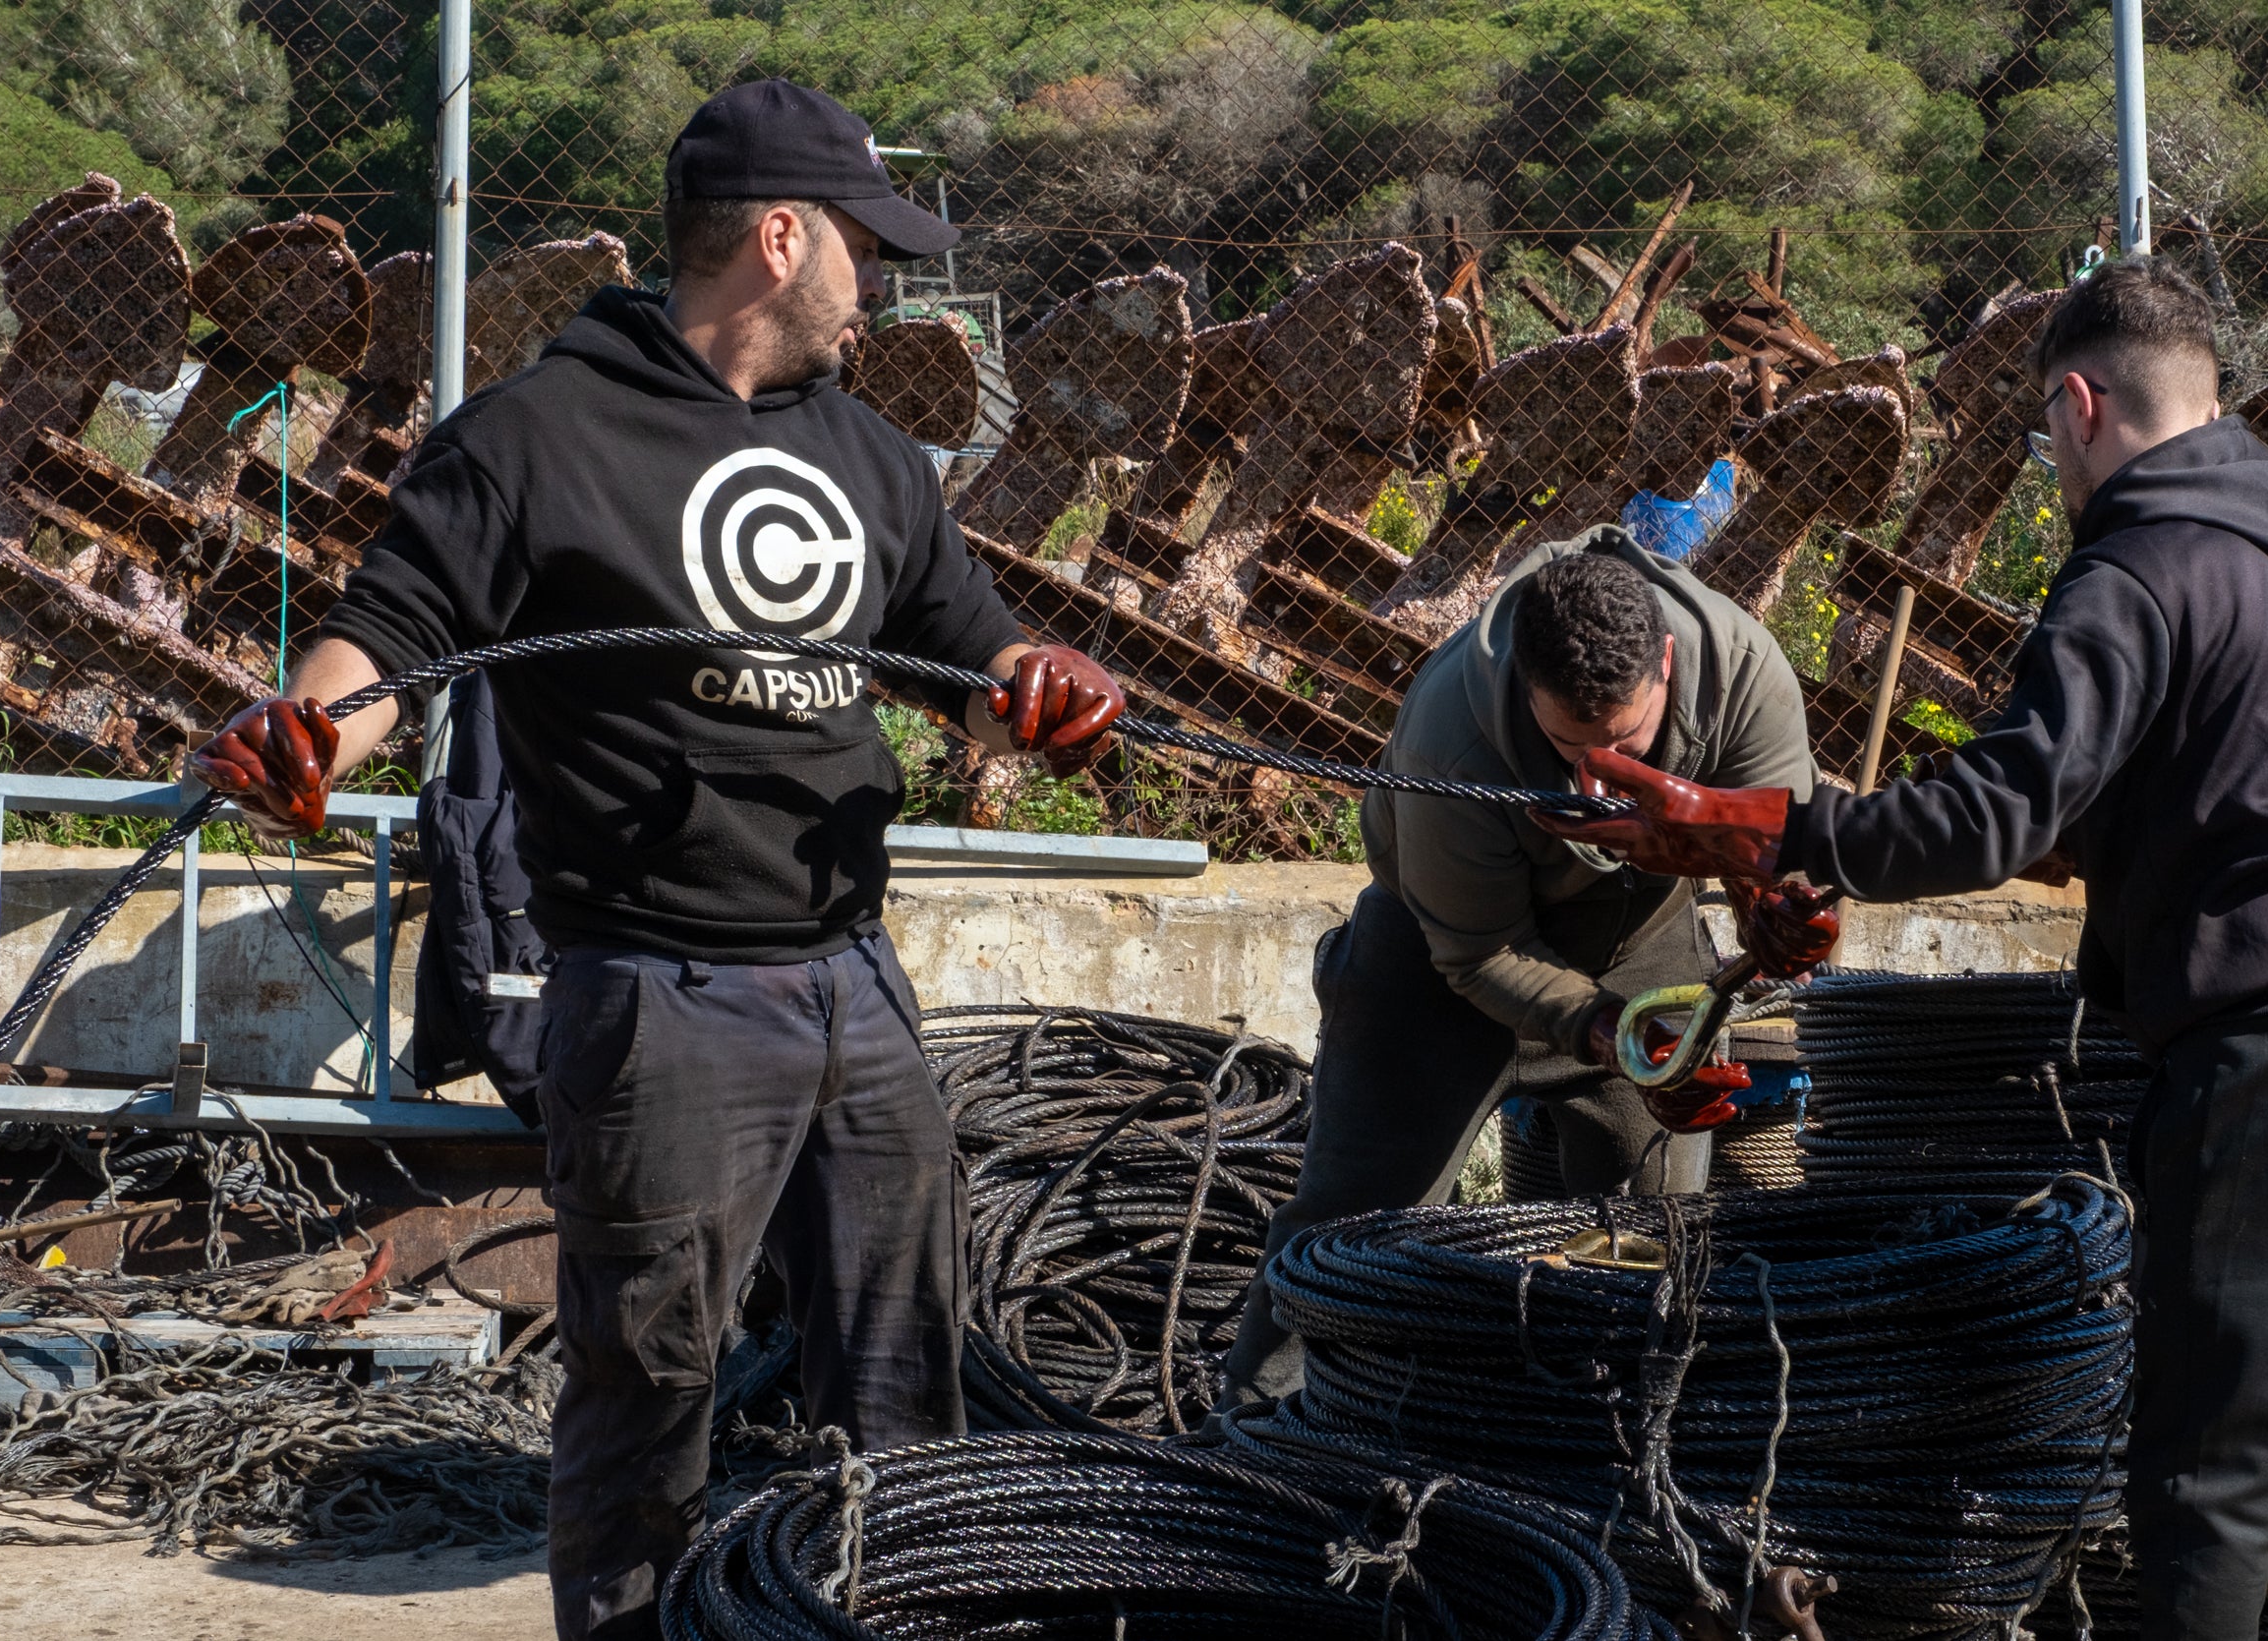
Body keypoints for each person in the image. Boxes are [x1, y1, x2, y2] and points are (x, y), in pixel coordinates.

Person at [185, 80, 1126, 1641]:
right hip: (658, 1003)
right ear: (777, 238)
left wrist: (1055, 691)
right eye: (863, 250)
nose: (877, 286)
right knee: (651, 1398)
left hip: (856, 985)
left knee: (906, 1371)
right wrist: (305, 739)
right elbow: (388, 639)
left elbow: (972, 645)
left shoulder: (873, 455)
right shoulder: (534, 440)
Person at [1539, 260, 2268, 1641]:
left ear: (2076, 400)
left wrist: (1780, 831)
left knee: (2208, 1455)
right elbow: (2188, 798)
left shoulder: (2127, 573)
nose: (2049, 457)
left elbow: (1998, 811)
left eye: (2046, 430)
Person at [1216, 527, 1831, 1407]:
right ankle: (1247, 1426)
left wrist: (1778, 910)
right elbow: (1478, 952)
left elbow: (1787, 852)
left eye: (1622, 744)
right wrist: (1607, 1030)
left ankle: (1615, 1441)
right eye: (1568, 753)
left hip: (1638, 934)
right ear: (1523, 689)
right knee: (1353, 1221)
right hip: (1435, 960)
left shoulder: (1742, 672)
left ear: (1665, 663)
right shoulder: (1448, 733)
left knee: (1653, 1222)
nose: (1594, 790)